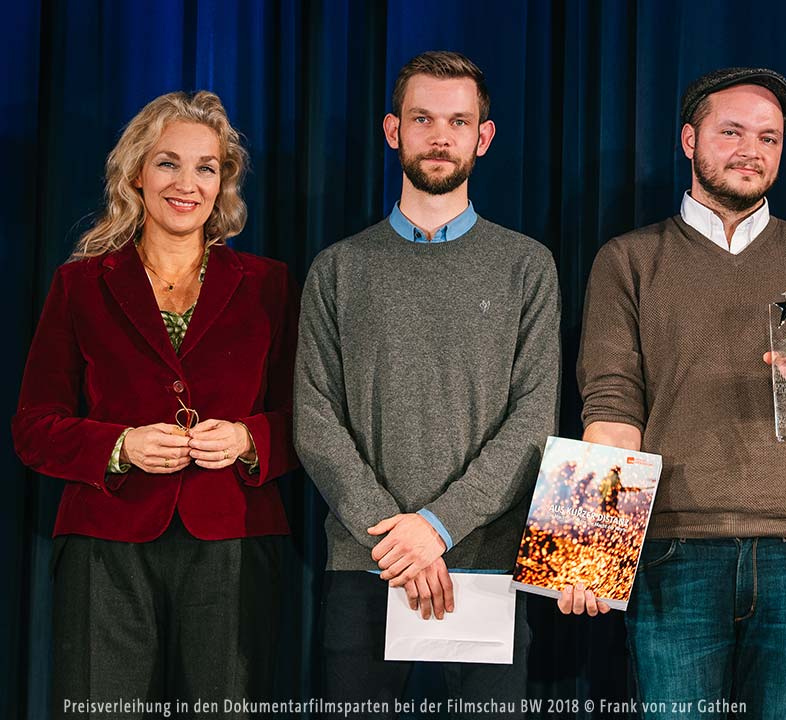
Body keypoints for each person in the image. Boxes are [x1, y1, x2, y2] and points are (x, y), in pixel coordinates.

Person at [570, 67, 786, 719]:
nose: (752, 151)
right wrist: (589, 550)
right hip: (672, 548)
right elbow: (611, 408)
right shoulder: (627, 260)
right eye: (733, 132)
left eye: (769, 138)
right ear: (689, 140)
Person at [12, 91, 298, 716]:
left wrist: (251, 440)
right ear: (136, 173)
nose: (186, 183)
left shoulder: (270, 285)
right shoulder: (80, 284)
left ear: (223, 183)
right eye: (168, 163)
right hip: (104, 546)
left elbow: (307, 420)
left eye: (206, 167)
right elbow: (33, 427)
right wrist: (118, 446)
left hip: (234, 542)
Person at [294, 51, 559, 717]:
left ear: (483, 137)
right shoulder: (339, 269)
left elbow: (532, 423)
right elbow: (315, 422)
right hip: (366, 564)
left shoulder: (527, 266)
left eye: (458, 121)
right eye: (422, 119)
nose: (440, 136)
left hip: (485, 563)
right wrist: (399, 540)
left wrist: (437, 528)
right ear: (393, 131)